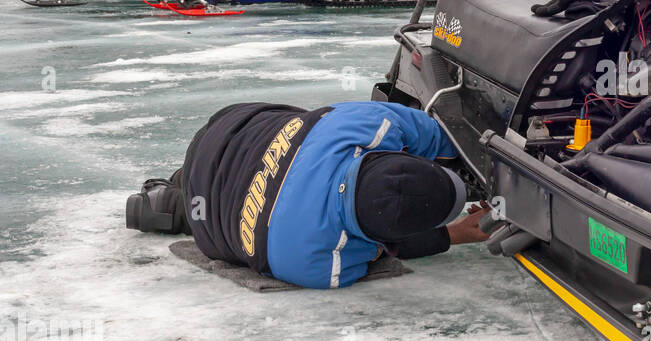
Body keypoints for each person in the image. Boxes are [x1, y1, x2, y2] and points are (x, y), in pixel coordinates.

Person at [125, 101, 489, 289]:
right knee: (221, 216)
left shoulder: (370, 124)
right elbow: (389, 249)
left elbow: (442, 135)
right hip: (208, 223)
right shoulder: (321, 267)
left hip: (227, 128)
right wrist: (455, 234)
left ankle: (177, 185)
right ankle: (172, 205)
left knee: (306, 123)